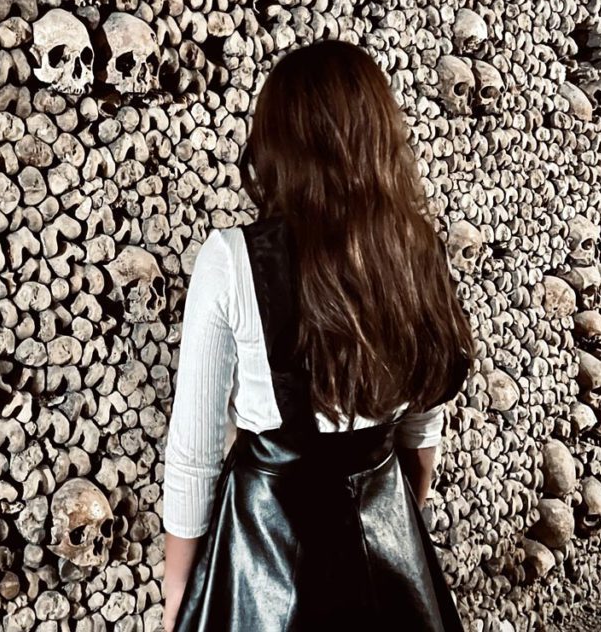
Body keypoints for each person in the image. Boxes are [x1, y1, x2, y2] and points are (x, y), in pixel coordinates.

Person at [161, 40, 477, 631]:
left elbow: (194, 456)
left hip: (265, 552)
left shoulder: (232, 260)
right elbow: (423, 428)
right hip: (387, 532)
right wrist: (398, 510)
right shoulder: (418, 251)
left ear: (276, 141)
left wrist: (180, 593)